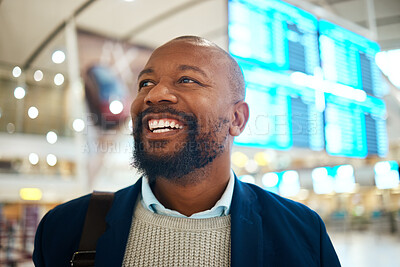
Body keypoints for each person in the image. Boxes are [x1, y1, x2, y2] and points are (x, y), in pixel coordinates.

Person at [33, 36, 341, 267]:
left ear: (237, 119)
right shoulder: (66, 228)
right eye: (145, 82)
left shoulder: (302, 233)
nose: (154, 95)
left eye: (186, 79)